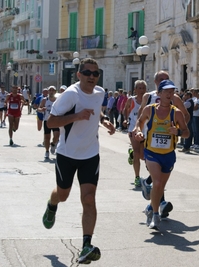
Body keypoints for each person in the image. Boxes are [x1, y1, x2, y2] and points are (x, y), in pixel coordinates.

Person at [41, 58, 115, 264]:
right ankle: (51, 204)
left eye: (96, 73)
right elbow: (51, 121)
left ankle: (86, 245)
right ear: (79, 74)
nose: (92, 76)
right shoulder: (70, 95)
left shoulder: (100, 93)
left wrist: (104, 121)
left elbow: (95, 112)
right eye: (88, 72)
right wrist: (76, 116)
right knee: (63, 195)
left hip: (90, 154)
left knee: (89, 198)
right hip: (67, 153)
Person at [134, 79, 189, 230]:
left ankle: (150, 208)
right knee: (157, 183)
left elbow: (186, 132)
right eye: (166, 91)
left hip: (168, 154)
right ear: (159, 93)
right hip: (152, 153)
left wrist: (177, 131)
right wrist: (138, 131)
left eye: (172, 91)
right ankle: (156, 216)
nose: (169, 94)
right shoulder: (150, 110)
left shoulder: (176, 113)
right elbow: (139, 122)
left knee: (160, 187)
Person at [122, 80, 147, 187]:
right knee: (137, 154)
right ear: (135, 90)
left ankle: (131, 152)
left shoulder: (148, 100)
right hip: (133, 128)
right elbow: (125, 110)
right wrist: (126, 119)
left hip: (145, 129)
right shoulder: (131, 100)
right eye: (139, 88)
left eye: (143, 88)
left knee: (143, 155)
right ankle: (137, 177)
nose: (141, 90)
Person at [38, 86, 60, 159]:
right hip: (47, 120)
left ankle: (53, 144)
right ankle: (47, 151)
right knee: (47, 137)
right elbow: (39, 108)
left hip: (55, 120)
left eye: (53, 90)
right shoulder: (45, 100)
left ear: (55, 91)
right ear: (48, 92)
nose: (51, 91)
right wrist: (42, 109)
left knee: (57, 135)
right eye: (50, 90)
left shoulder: (58, 100)